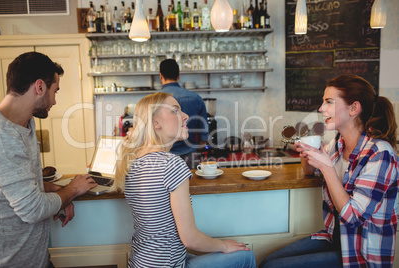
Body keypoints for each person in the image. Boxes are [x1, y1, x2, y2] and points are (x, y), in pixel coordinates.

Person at [259, 74, 399, 268]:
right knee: (267, 261)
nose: (321, 108)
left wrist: (326, 167)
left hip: (359, 255)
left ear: (354, 108)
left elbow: (353, 217)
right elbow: (310, 172)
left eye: (329, 102)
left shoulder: (380, 153)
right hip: (335, 237)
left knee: (272, 267)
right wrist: (307, 152)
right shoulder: (338, 144)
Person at [111, 92, 256, 268]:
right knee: (245, 256)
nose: (186, 115)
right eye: (175, 111)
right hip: (168, 265)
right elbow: (189, 238)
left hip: (140, 262)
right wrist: (224, 245)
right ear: (156, 123)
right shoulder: (171, 164)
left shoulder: (132, 161)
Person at [0, 52, 98, 268]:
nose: (54, 100)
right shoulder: (2, 137)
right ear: (40, 87)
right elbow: (32, 209)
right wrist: (71, 190)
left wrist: (55, 192)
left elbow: (19, 184)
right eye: (55, 91)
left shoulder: (25, 123)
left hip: (36, 258)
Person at [160, 59, 209, 169]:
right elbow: (203, 133)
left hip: (161, 158)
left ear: (160, 76)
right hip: (189, 156)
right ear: (178, 76)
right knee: (192, 185)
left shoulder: (153, 101)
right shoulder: (195, 98)